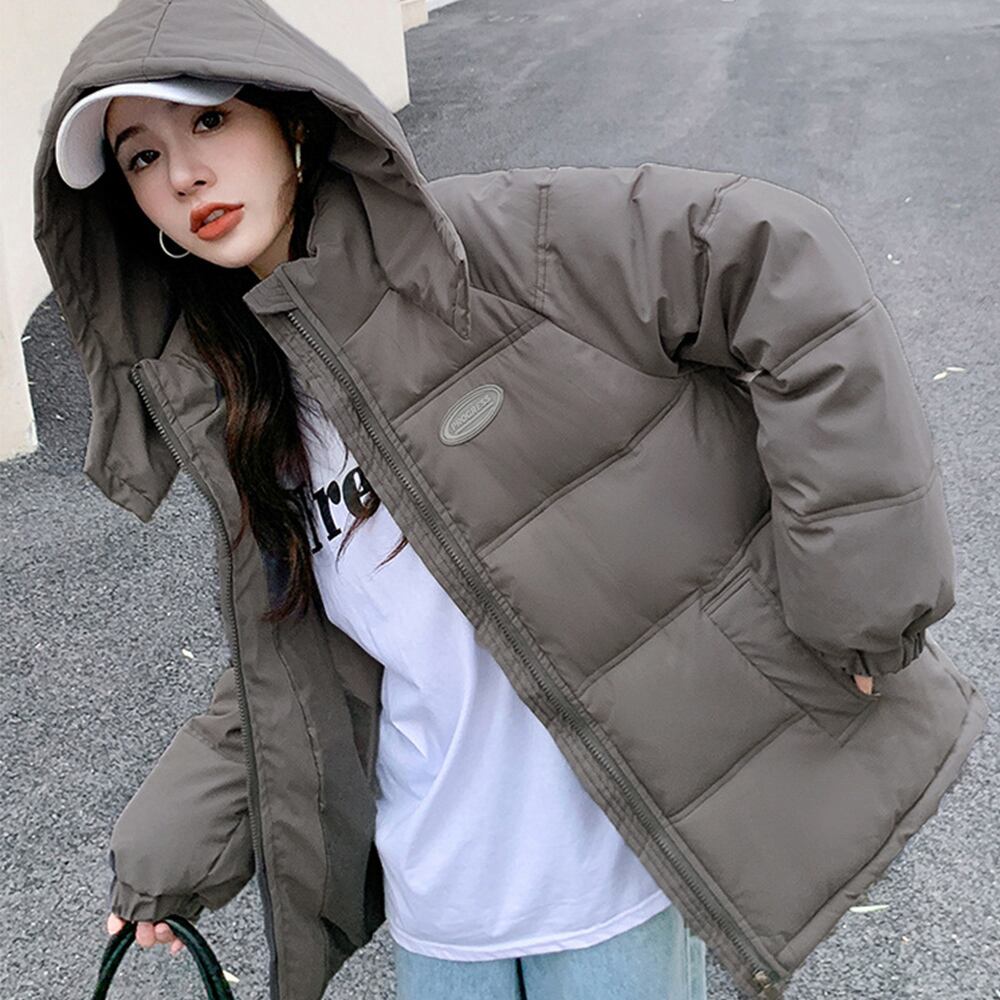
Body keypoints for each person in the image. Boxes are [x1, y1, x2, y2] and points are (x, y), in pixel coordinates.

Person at [34, 2, 988, 999]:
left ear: (294, 119)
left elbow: (777, 258)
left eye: (210, 120)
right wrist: (173, 843)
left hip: (610, 886)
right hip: (443, 911)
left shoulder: (494, 253)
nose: (184, 175)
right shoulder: (246, 403)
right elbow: (301, 660)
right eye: (142, 157)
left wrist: (857, 595)